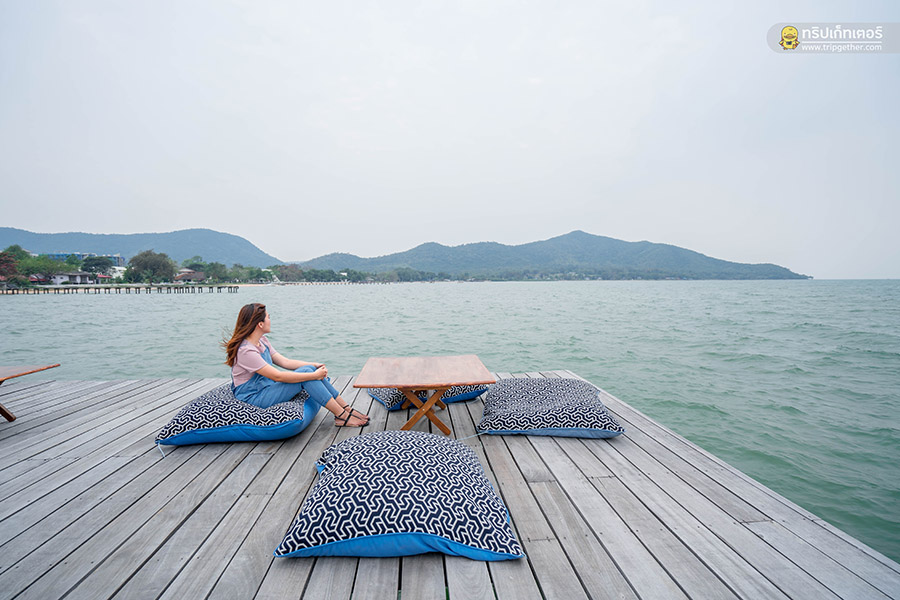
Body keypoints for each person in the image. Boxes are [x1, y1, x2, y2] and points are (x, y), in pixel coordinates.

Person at [223, 303, 369, 427]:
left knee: (308, 370)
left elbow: (284, 362)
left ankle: (346, 408)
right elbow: (278, 376)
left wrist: (314, 365)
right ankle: (342, 416)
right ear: (260, 324)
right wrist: (314, 375)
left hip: (267, 388)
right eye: (268, 317)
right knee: (308, 376)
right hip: (255, 397)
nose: (270, 320)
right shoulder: (246, 351)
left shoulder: (262, 341)